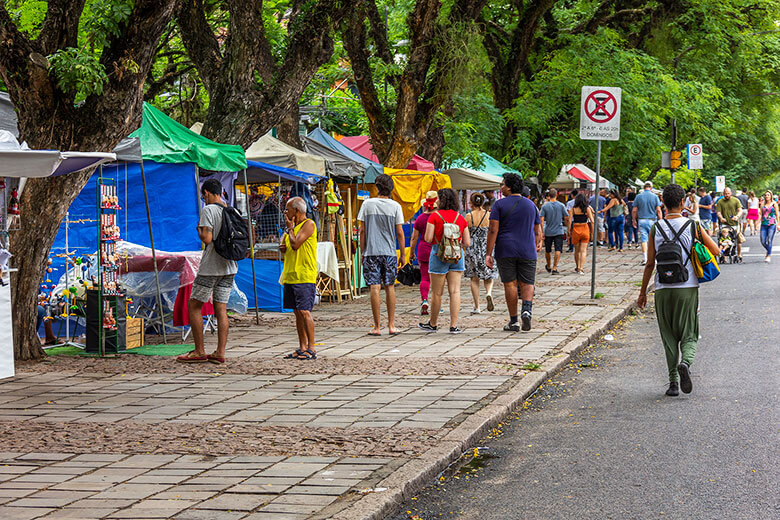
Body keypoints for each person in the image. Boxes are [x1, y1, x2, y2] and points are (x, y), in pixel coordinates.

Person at [637, 183, 719, 397]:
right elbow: (716, 250)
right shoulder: (692, 226)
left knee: (668, 336)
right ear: (683, 202)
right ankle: (686, 363)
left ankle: (673, 383)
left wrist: (643, 292)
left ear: (663, 202)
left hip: (662, 289)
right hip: (687, 287)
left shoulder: (656, 227)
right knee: (690, 333)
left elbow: (649, 264)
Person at [178, 178, 238, 364]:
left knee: (194, 305)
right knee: (221, 308)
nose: (204, 198)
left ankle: (199, 350)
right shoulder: (232, 209)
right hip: (229, 266)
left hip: (211, 267)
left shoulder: (208, 210)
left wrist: (199, 229)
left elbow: (207, 238)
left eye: (204, 195)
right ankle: (220, 351)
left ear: (208, 193)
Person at [485, 173, 541, 332]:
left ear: (509, 187)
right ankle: (527, 310)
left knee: (510, 283)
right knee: (528, 282)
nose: (501, 187)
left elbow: (493, 229)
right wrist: (537, 243)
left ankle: (514, 321)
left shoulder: (499, 205)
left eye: (502, 184)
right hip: (527, 249)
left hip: (506, 249)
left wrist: (488, 253)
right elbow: (537, 231)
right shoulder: (531, 205)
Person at [358, 174, 406, 336]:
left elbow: (362, 230)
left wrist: (363, 250)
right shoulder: (395, 206)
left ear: (377, 187)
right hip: (389, 252)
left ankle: (377, 326)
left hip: (371, 251)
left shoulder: (367, 204)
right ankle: (391, 325)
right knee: (390, 286)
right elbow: (399, 232)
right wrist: (403, 254)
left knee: (374, 286)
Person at [419, 188, 470, 333]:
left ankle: (433, 323)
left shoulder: (434, 217)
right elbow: (467, 242)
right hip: (456, 256)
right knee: (455, 291)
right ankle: (453, 325)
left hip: (438, 255)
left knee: (436, 293)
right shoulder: (460, 218)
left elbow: (428, 238)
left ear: (441, 200)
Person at [280, 197, 318, 360]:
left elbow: (296, 244)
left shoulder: (309, 225)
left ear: (297, 210)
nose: (285, 213)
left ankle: (311, 347)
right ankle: (302, 346)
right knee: (296, 312)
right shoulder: (293, 228)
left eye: (288, 209)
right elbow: (287, 247)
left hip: (304, 274)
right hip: (290, 274)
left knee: (304, 311)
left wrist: (290, 229)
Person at [464, 192, 497, 314]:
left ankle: (477, 306)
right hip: (486, 246)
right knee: (489, 275)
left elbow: (464, 234)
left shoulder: (468, 216)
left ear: (471, 203)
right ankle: (488, 293)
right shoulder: (489, 215)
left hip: (472, 247)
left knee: (474, 278)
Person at [410, 191, 437, 315]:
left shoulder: (420, 218)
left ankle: (424, 300)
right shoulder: (439, 217)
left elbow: (414, 237)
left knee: (425, 278)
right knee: (438, 279)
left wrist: (411, 252)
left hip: (423, 250)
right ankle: (437, 304)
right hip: (438, 250)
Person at [633, 181, 663, 265]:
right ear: (651, 187)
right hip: (652, 220)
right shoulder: (655, 197)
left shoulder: (638, 197)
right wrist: (661, 221)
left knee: (644, 239)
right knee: (654, 239)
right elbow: (658, 210)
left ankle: (645, 258)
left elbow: (634, 210)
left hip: (642, 220)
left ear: (644, 187)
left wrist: (633, 220)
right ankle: (655, 258)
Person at [540, 188, 568, 273]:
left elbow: (541, 219)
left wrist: (541, 231)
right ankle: (555, 268)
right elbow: (566, 217)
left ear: (548, 196)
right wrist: (567, 226)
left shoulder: (545, 206)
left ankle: (548, 265)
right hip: (559, 230)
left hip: (548, 230)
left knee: (548, 250)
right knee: (558, 249)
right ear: (556, 195)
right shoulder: (561, 205)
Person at [568, 192, 594, 274]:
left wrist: (569, 230)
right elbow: (592, 221)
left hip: (576, 228)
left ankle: (577, 266)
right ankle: (581, 268)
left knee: (577, 250)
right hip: (585, 228)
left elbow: (569, 220)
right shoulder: (587, 209)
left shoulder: (573, 209)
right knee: (583, 250)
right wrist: (592, 232)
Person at [716, 187, 743, 262]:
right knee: (724, 238)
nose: (727, 195)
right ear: (723, 194)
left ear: (730, 193)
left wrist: (737, 216)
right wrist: (721, 218)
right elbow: (718, 212)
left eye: (728, 193)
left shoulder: (736, 200)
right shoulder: (720, 202)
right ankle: (724, 256)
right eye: (725, 194)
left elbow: (740, 210)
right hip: (724, 224)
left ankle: (739, 254)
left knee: (737, 239)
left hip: (734, 223)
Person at [759, 190, 779, 263]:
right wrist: (757, 224)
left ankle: (769, 255)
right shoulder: (762, 204)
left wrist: (778, 224)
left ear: (771, 196)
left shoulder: (774, 204)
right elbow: (760, 214)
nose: (767, 196)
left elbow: (777, 215)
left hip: (772, 224)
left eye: (768, 195)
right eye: (765, 195)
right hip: (763, 224)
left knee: (769, 240)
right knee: (763, 241)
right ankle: (769, 250)